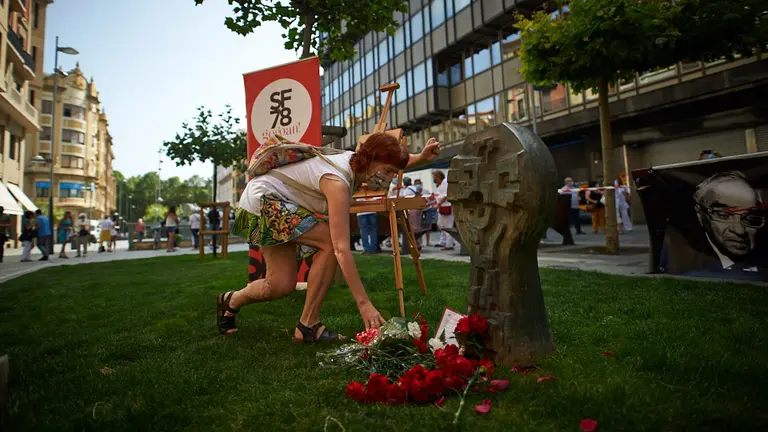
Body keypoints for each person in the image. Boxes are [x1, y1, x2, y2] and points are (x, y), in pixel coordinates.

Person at [220, 132, 440, 341]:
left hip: (263, 199)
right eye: (389, 171)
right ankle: (308, 325)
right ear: (371, 160)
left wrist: (420, 158)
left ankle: (230, 301)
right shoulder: (337, 182)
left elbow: (388, 160)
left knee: (279, 285)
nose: (390, 179)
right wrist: (364, 304)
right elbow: (341, 249)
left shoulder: (357, 161)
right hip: (263, 200)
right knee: (330, 242)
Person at [693, 171, 765, 273]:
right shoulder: (687, 264)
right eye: (724, 215)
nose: (740, 231)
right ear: (700, 215)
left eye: (750, 218)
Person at [431, 170, 454, 251]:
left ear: (438, 176)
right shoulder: (439, 185)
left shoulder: (445, 183)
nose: (433, 178)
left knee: (448, 226)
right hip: (442, 207)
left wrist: (438, 204)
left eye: (434, 177)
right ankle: (443, 241)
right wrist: (430, 203)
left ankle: (449, 244)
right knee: (440, 224)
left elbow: (446, 196)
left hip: (447, 206)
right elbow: (438, 197)